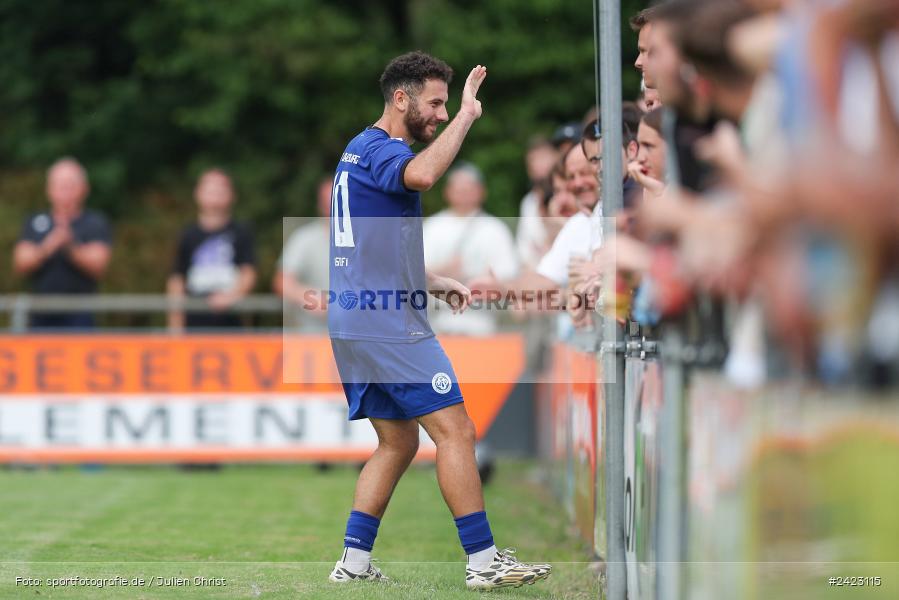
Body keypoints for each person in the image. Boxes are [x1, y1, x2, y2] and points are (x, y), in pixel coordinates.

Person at [326, 51, 550, 589]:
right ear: (400, 99)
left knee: (399, 442)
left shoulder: (357, 153)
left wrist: (429, 280)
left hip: (355, 315)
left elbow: (371, 247)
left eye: (448, 105)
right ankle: (483, 561)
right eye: (436, 103)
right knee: (456, 431)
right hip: (385, 321)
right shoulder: (386, 149)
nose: (443, 114)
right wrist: (471, 116)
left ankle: (353, 564)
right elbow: (423, 174)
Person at [13, 157, 112, 329]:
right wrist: (47, 247)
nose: (65, 192)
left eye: (70, 185)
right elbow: (21, 263)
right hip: (40, 311)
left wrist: (70, 246)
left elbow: (99, 265)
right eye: (60, 185)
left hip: (80, 312)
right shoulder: (35, 221)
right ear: (49, 190)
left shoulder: (94, 223)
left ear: (83, 189)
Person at [423, 162, 518, 335]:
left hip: (482, 322)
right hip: (437, 320)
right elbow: (413, 273)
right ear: (447, 191)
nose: (464, 194)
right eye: (459, 189)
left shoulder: (495, 229)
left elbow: (508, 275)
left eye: (469, 188)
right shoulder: (432, 227)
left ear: (481, 191)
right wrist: (442, 271)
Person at [167, 168, 257, 330]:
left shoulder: (240, 232)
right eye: (210, 190)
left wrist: (231, 297)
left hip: (230, 323)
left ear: (231, 195)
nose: (215, 195)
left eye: (220, 190)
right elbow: (177, 279)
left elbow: (248, 273)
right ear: (198, 194)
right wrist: (175, 324)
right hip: (193, 324)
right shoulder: (188, 235)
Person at [274, 176, 332, 332]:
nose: (332, 207)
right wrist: (311, 298)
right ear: (320, 204)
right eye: (327, 201)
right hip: (311, 337)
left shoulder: (366, 240)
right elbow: (282, 282)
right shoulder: (304, 238)